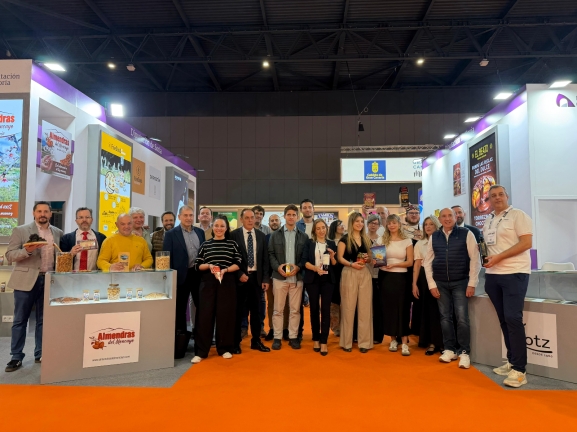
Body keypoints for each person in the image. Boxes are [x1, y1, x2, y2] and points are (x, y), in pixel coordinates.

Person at [482, 185, 533, 388]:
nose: (497, 198)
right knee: (504, 320)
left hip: (515, 272)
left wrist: (500, 257)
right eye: (493, 196)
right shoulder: (489, 219)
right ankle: (512, 361)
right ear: (489, 200)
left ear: (507, 196)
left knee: (513, 318)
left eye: (500, 194)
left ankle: (520, 370)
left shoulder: (518, 215)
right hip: (493, 275)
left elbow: (526, 243)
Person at [5, 201, 63, 372]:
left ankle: (40, 354)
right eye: (39, 211)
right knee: (20, 320)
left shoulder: (57, 232)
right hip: (26, 280)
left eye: (46, 211)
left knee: (43, 321)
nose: (42, 214)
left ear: (50, 214)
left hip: (49, 280)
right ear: (34, 213)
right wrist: (28, 251)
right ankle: (16, 356)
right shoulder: (21, 230)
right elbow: (10, 255)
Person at [423, 208, 481, 369]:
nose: (447, 218)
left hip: (460, 282)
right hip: (440, 283)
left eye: (450, 215)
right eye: (444, 216)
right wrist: (432, 285)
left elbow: (475, 259)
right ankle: (449, 349)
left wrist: (472, 283)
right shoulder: (434, 236)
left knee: (462, 318)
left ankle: (464, 352)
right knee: (445, 318)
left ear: (455, 217)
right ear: (439, 219)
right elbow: (427, 262)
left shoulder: (466, 234)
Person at [191, 216, 242, 363]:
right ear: (213, 228)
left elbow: (238, 263)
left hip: (227, 282)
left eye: (222, 226)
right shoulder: (206, 244)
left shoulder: (232, 244)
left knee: (225, 316)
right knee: (204, 316)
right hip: (208, 283)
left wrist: (225, 270)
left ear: (226, 228)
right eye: (216, 226)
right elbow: (198, 265)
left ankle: (225, 348)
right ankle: (201, 351)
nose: (219, 228)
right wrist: (209, 266)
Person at [268, 204, 309, 350]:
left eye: (294, 215)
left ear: (297, 217)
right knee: (278, 310)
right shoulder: (275, 235)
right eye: (289, 214)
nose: (291, 217)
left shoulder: (304, 236)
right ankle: (277, 338)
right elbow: (271, 254)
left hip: (297, 278)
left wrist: (298, 267)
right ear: (284, 216)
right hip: (279, 278)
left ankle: (293, 337)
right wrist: (277, 267)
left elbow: (305, 257)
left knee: (295, 310)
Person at [231, 209, 271, 353]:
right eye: (246, 218)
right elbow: (230, 257)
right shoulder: (233, 235)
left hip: (256, 279)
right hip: (240, 278)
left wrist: (265, 278)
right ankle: (236, 343)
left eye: (252, 217)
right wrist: (239, 273)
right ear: (241, 219)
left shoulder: (261, 236)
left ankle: (256, 341)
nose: (250, 220)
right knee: (238, 311)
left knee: (256, 311)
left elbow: (265, 259)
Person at [163, 206, 206, 334]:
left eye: (191, 215)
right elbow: (167, 258)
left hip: (198, 275)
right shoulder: (171, 234)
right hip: (181, 276)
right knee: (180, 308)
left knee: (202, 306)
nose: (188, 218)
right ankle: (180, 336)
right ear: (179, 217)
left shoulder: (200, 232)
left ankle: (201, 335)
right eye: (185, 215)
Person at [337, 212, 373, 353]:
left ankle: (364, 343)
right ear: (351, 222)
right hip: (349, 272)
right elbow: (340, 258)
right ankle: (346, 342)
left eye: (361, 221)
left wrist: (370, 259)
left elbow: (371, 258)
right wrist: (352, 264)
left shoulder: (367, 239)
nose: (360, 224)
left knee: (365, 308)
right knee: (348, 307)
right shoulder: (344, 239)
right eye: (357, 221)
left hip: (364, 273)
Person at [379, 214, 414, 356]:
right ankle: (393, 339)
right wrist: (377, 261)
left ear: (399, 224)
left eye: (394, 223)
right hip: (386, 277)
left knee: (403, 308)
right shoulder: (382, 240)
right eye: (389, 223)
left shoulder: (407, 240)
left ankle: (404, 342)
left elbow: (410, 262)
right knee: (389, 309)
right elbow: (377, 259)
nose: (391, 225)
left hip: (401, 278)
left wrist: (395, 265)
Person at [301, 219, 337, 356]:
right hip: (313, 279)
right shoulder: (309, 243)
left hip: (328, 281)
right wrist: (316, 268)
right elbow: (304, 262)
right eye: (318, 228)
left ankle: (324, 341)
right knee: (314, 309)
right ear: (314, 231)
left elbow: (335, 264)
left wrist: (332, 257)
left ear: (326, 228)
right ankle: (316, 338)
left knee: (326, 310)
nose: (321, 230)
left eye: (323, 227)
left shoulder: (331, 243)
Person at [411, 216, 444, 355]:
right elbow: (417, 264)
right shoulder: (420, 244)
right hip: (425, 278)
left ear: (437, 225)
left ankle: (443, 342)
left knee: (442, 311)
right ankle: (431, 342)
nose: (428, 227)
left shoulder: (443, 241)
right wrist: (414, 284)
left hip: (442, 277)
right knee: (429, 311)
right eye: (426, 225)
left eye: (431, 224)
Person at [264, 214, 289, 341]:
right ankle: (272, 328)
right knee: (272, 303)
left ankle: (285, 329)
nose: (274, 222)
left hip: (286, 275)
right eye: (272, 221)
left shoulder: (286, 236)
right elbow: (266, 257)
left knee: (286, 303)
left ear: (280, 222)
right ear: (269, 224)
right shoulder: (266, 238)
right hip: (271, 275)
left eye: (276, 220)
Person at [60, 207, 107, 271]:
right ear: (76, 221)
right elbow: (61, 262)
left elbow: (104, 260)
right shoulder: (66, 239)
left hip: (94, 275)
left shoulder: (102, 238)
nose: (84, 220)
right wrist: (70, 254)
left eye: (87, 217)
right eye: (81, 217)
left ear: (92, 220)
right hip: (73, 275)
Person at [367, 214, 384, 344]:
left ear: (379, 225)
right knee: (366, 306)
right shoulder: (362, 238)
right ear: (367, 224)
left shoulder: (381, 239)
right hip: (365, 275)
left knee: (378, 306)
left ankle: (378, 335)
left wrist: (377, 260)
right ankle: (365, 333)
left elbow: (381, 260)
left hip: (379, 275)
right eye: (371, 223)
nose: (373, 225)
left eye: (376, 223)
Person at [328, 219, 345, 336]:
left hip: (346, 272)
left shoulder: (347, 240)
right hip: (333, 274)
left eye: (343, 224)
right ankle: (336, 327)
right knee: (334, 302)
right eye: (340, 225)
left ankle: (346, 325)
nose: (342, 227)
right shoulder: (329, 243)